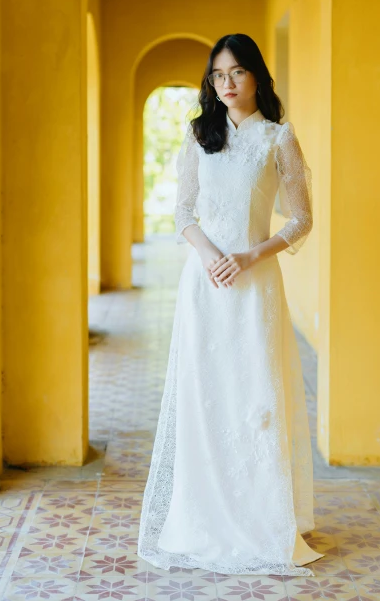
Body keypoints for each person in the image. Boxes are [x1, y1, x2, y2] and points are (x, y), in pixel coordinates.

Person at [137, 33, 324, 576]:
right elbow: (183, 213)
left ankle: (261, 517)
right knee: (206, 394)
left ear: (256, 77)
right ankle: (203, 515)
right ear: (210, 83)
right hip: (205, 286)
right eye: (218, 75)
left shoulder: (278, 138)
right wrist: (213, 257)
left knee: (254, 395)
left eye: (237, 72)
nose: (227, 83)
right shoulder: (200, 136)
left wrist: (248, 257)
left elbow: (301, 219)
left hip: (254, 283)